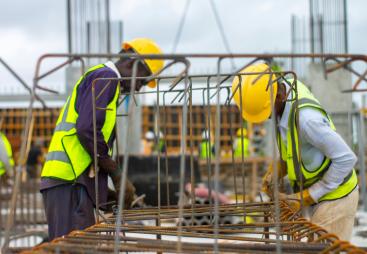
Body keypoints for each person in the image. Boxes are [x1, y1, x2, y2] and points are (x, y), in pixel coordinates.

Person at [40, 38, 164, 240]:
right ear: (133, 63)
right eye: (142, 80)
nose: (139, 88)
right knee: (74, 248)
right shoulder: (106, 78)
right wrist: (115, 172)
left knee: (75, 246)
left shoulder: (102, 78)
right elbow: (87, 130)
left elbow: (85, 141)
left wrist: (104, 191)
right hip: (69, 182)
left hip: (70, 182)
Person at [231, 63, 358, 241]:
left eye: (267, 112)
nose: (267, 117)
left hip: (337, 196)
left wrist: (306, 196)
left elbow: (346, 159)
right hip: (321, 198)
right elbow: (295, 146)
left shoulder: (307, 120)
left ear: (280, 96)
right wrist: (279, 168)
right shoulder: (284, 93)